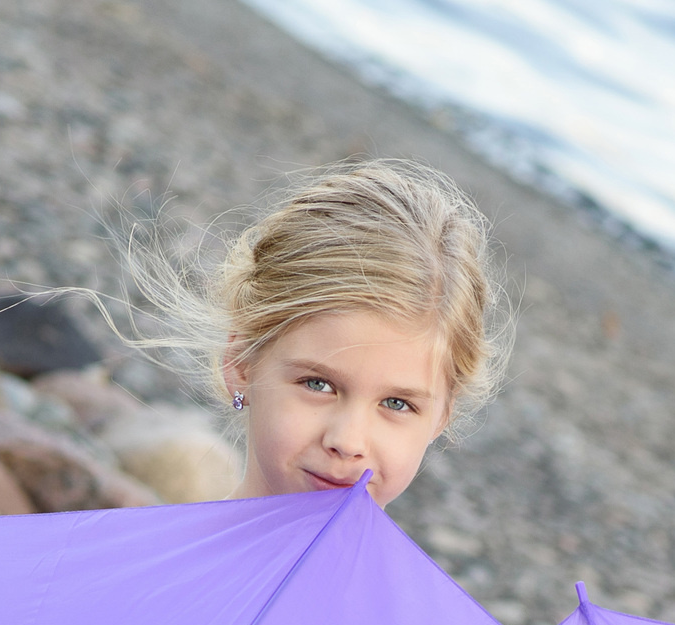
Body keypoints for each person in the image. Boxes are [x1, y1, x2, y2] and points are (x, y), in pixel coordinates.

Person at [131, 159, 509, 508]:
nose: (347, 442)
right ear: (241, 363)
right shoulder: (145, 568)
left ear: (443, 414)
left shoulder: (400, 585)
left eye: (396, 404)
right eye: (318, 384)